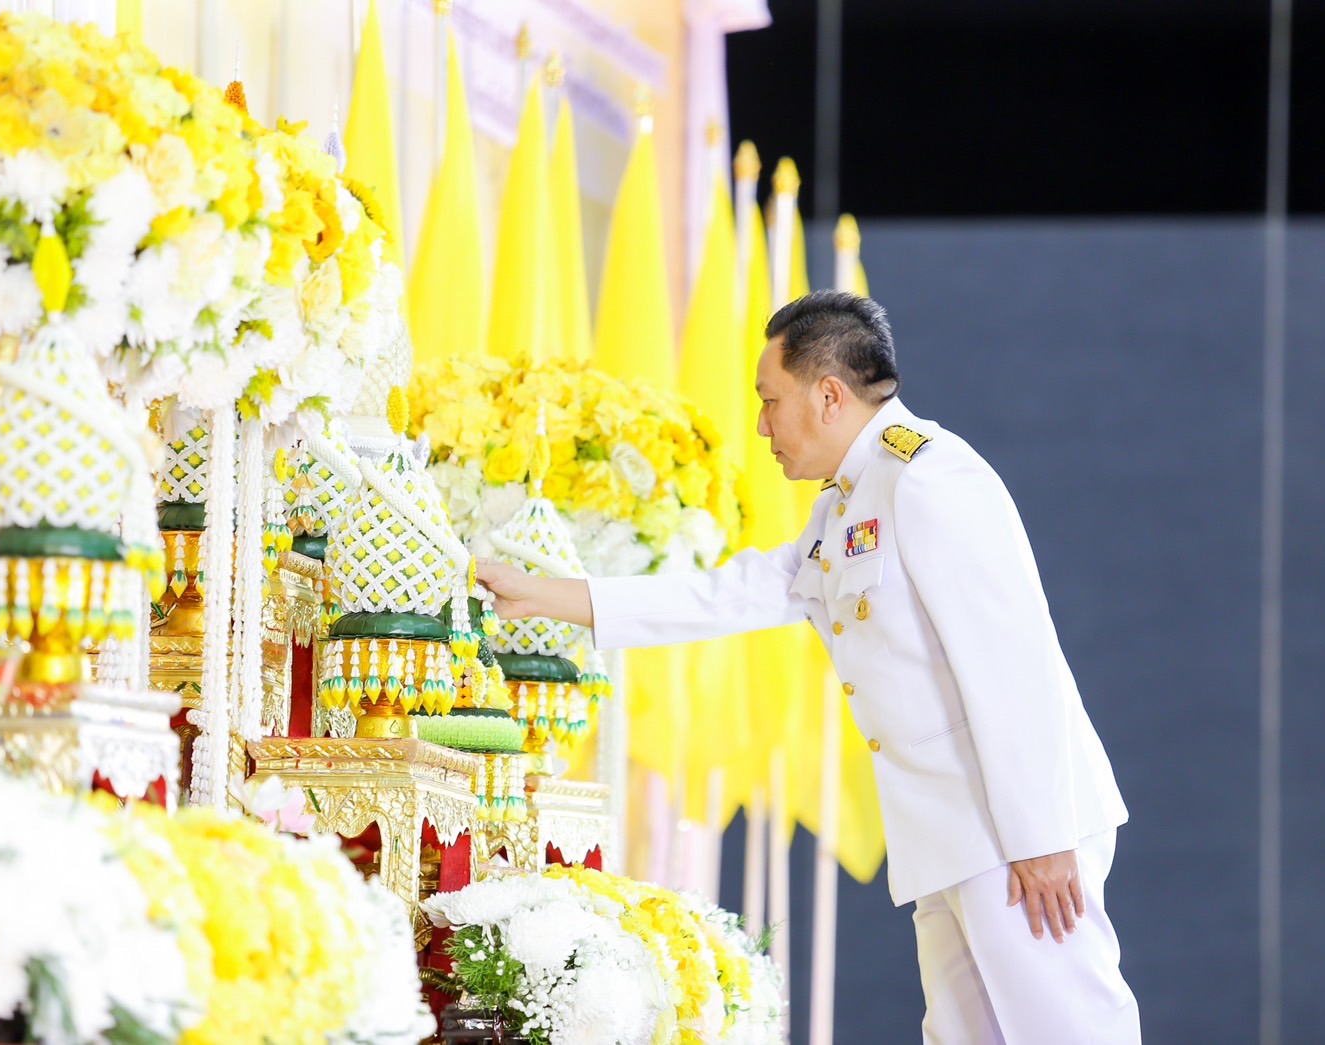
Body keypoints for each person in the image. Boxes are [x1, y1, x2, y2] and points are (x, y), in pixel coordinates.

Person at [477, 290, 1140, 1043]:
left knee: (1070, 1030)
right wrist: (547, 596)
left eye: (769, 400)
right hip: (955, 837)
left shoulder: (927, 479)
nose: (760, 424)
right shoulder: (848, 503)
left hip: (1013, 834)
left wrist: (1039, 834)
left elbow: (1014, 661)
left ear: (828, 395)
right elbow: (726, 595)